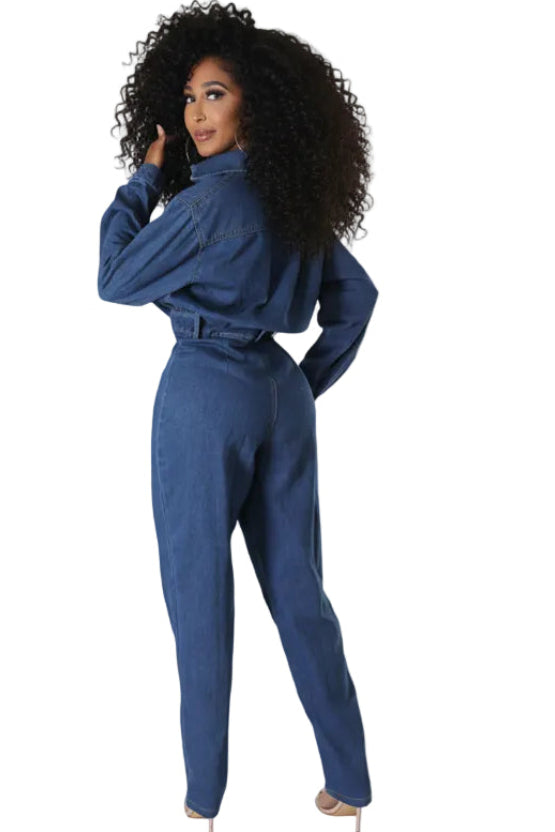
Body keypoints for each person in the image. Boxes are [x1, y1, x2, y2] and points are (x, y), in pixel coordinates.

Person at [97, 3, 378, 829]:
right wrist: (302, 389)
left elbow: (114, 278)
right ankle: (349, 784)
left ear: (255, 103)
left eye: (213, 95)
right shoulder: (295, 200)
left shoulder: (203, 204)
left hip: (204, 390)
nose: (195, 114)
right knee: (299, 590)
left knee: (199, 597)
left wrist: (144, 180)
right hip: (278, 394)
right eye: (188, 98)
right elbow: (356, 300)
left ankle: (203, 802)